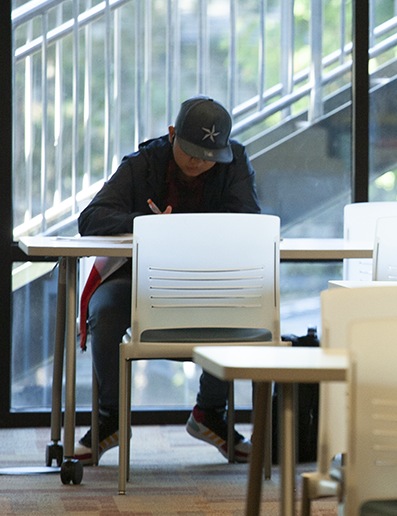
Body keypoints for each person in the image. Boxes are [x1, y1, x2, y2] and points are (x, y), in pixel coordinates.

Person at [74, 95, 261, 465]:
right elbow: (91, 218)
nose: (199, 161)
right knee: (105, 311)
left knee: (243, 303)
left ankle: (210, 414)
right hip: (143, 280)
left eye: (210, 156)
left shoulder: (235, 161)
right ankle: (111, 415)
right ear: (172, 133)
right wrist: (146, 225)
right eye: (191, 151)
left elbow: (251, 220)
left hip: (211, 280)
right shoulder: (143, 163)